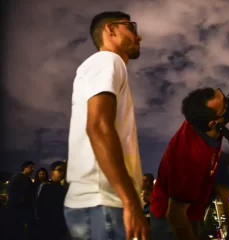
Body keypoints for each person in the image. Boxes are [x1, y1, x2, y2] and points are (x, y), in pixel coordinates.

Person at [64, 11, 149, 240]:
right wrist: (130, 202)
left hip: (100, 203)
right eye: (131, 28)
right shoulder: (107, 60)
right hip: (105, 203)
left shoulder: (106, 65)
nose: (139, 36)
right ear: (110, 30)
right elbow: (99, 127)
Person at [150, 87, 229, 240]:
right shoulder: (190, 158)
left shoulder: (201, 123)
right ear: (214, 124)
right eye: (225, 105)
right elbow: (175, 215)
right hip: (171, 222)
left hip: (192, 211)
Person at [35, 161, 68, 240]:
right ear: (52, 171)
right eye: (59, 170)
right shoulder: (44, 186)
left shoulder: (63, 189)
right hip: (46, 227)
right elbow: (37, 206)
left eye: (64, 170)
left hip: (60, 228)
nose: (62, 173)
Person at [6, 161, 35, 240]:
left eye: (33, 168)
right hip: (16, 210)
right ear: (24, 168)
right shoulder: (17, 177)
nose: (33, 169)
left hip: (23, 210)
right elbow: (9, 191)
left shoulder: (28, 180)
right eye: (30, 167)